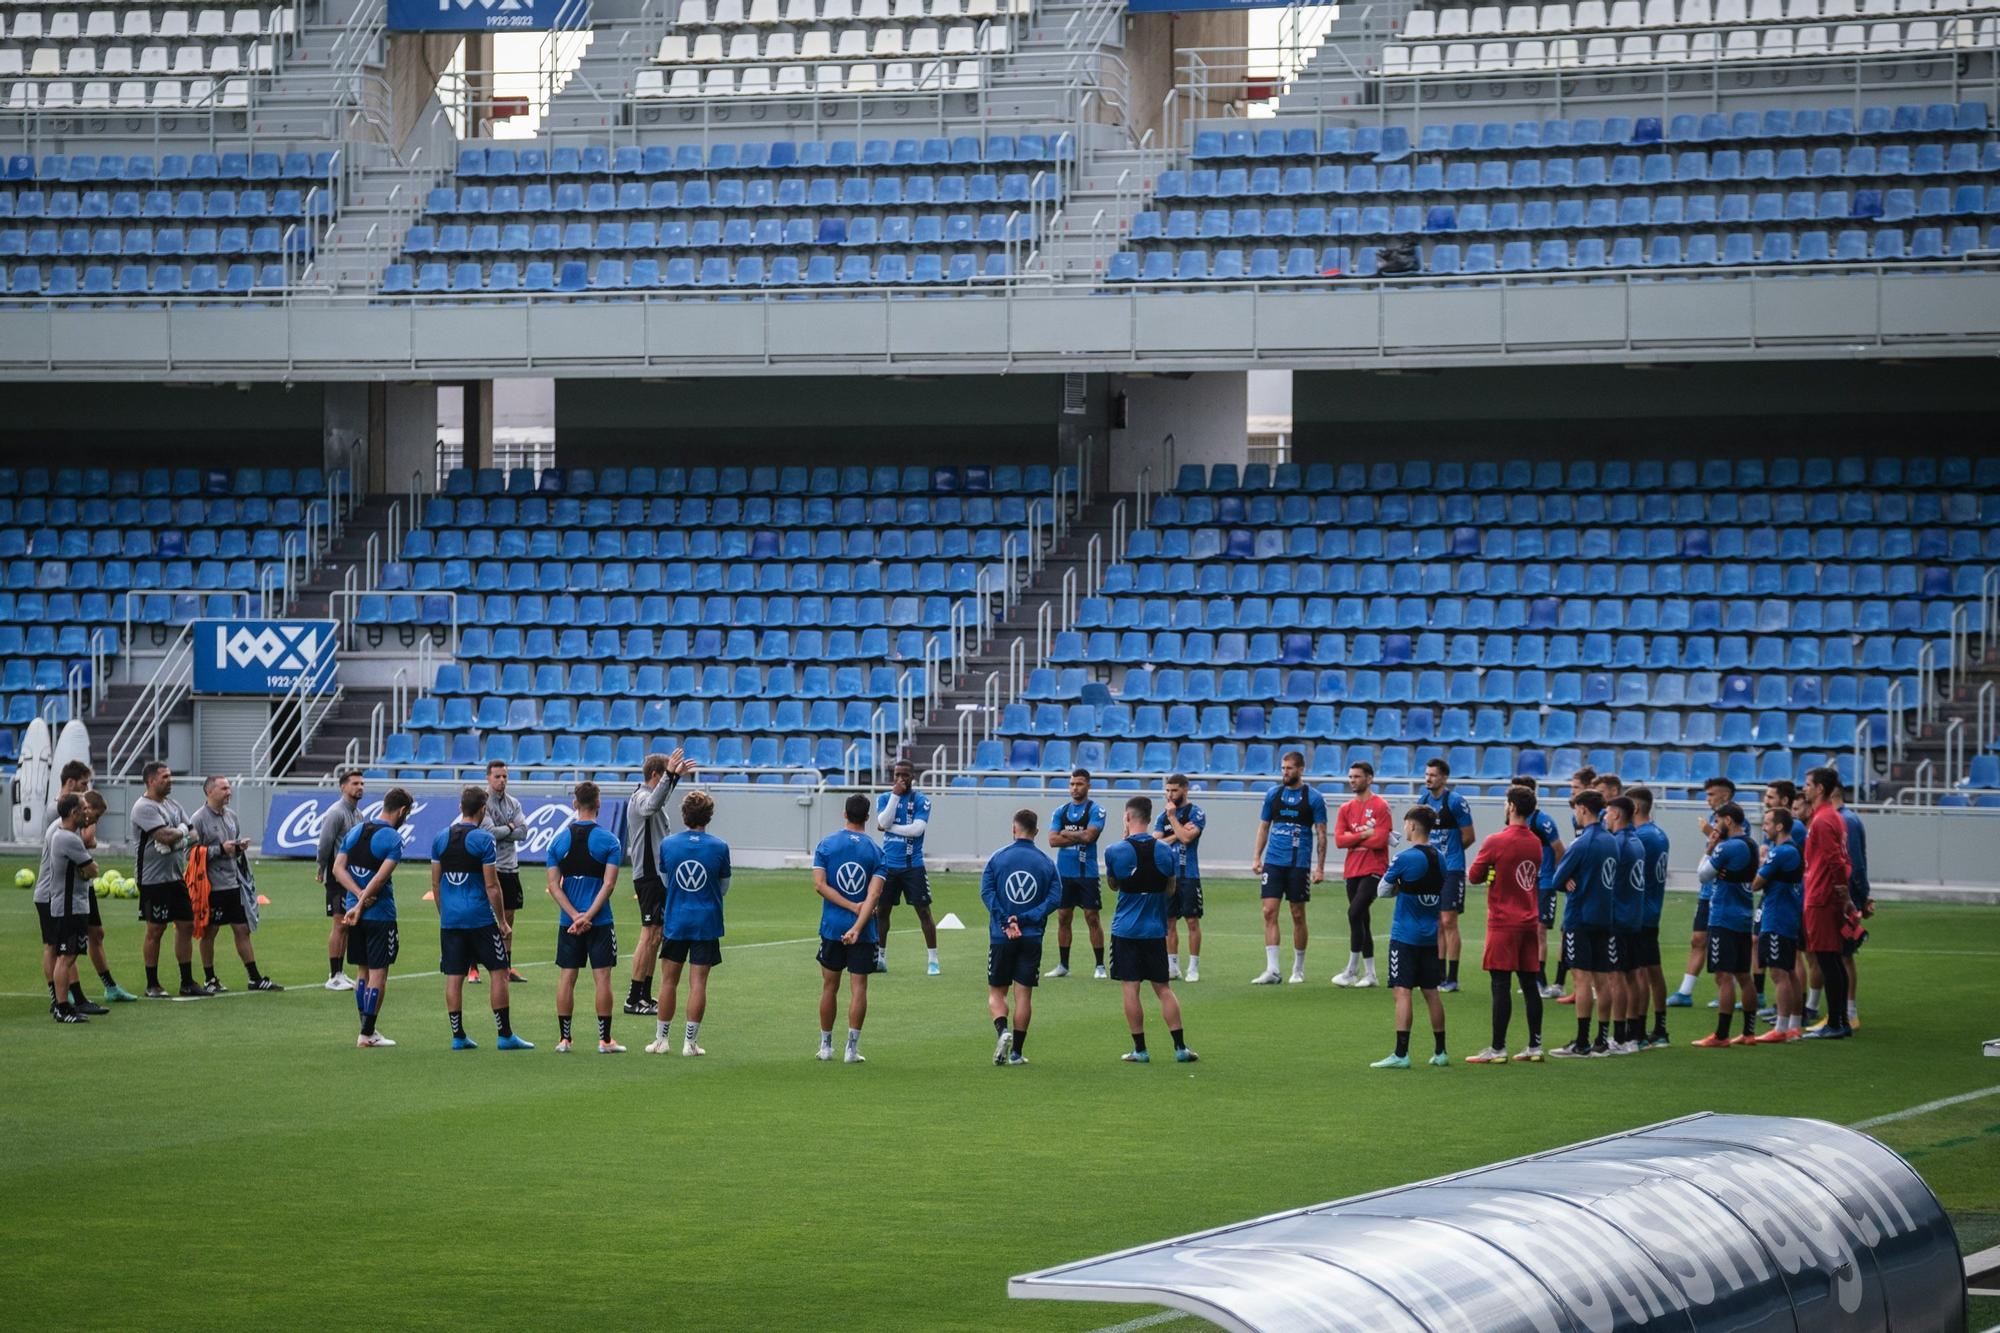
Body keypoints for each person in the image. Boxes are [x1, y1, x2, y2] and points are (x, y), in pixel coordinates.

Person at [431, 786, 531, 1052]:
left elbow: (436, 883)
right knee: (499, 971)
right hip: (479, 918)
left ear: (460, 808)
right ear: (482, 809)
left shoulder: (440, 838)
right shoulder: (483, 840)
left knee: (454, 976)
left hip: (450, 920)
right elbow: (492, 886)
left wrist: (445, 915)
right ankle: (504, 1034)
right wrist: (502, 921)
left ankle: (458, 1035)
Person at [1104, 796, 1196, 1065]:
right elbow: (1170, 888)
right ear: (1149, 816)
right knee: (1163, 988)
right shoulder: (1166, 851)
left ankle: (1140, 1050)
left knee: (1130, 988)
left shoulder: (1114, 851)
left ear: (1127, 817)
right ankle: (1180, 1047)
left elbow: (1113, 885)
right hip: (1155, 930)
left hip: (1126, 930)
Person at [1464, 787, 1547, 1064]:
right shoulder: (1535, 842)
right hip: (1528, 920)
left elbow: (1474, 875)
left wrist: (1491, 874)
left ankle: (1498, 1048)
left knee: (1500, 985)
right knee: (1529, 984)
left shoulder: (1496, 841)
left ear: (1511, 806)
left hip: (1502, 922)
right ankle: (1535, 1046)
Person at [648, 790, 731, 1058]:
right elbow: (723, 887)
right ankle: (690, 1043)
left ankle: (661, 1040)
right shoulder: (719, 846)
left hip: (676, 919)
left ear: (684, 815)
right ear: (709, 816)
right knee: (698, 983)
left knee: (668, 980)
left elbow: (665, 881)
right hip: (706, 922)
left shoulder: (669, 845)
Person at [45, 761, 134, 1009]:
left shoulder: (70, 825)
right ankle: (63, 1002)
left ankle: (90, 993)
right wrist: (88, 868)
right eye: (89, 813)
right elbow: (89, 860)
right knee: (62, 951)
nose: (91, 818)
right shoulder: (61, 825)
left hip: (75, 893)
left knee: (84, 942)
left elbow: (88, 852)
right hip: (59, 894)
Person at [545, 782, 626, 1054]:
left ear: (574, 804)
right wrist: (589, 915)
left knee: (567, 977)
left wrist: (574, 916)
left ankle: (564, 1039)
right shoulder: (610, 840)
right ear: (599, 803)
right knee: (602, 978)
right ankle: (605, 1040)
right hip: (600, 920)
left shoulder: (558, 841)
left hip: (568, 923)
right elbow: (609, 884)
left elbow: (554, 885)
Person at [1369, 806, 1448, 1070]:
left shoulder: (1404, 858)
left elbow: (1382, 890)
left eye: (1405, 825)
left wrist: (1402, 887)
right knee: (1431, 992)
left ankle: (1401, 1054)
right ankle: (1440, 1051)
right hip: (1431, 935)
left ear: (1412, 826)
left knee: (1402, 992)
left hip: (1405, 936)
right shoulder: (1442, 857)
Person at [333, 788, 413, 1049]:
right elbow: (381, 877)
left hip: (353, 912)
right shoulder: (392, 838)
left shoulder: (356, 830)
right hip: (380, 914)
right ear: (401, 811)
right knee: (379, 973)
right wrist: (366, 896)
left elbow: (337, 869)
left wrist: (356, 898)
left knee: (362, 971)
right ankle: (367, 1033)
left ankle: (366, 1027)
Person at [979, 808, 1058, 1066]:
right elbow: (1054, 899)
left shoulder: (997, 859)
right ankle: (1016, 1053)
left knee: (997, 992)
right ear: (1035, 832)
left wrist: (1006, 920)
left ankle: (1003, 1031)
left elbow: (987, 893)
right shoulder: (1047, 863)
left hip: (1002, 937)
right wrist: (1024, 919)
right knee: (1023, 995)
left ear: (1014, 829)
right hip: (1031, 936)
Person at [812, 794, 886, 1063]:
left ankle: (826, 1046)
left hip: (832, 927)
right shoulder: (877, 852)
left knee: (829, 986)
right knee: (859, 988)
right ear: (867, 818)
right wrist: (857, 921)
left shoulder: (827, 845)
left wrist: (849, 908)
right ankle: (851, 1050)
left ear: (845, 814)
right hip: (864, 931)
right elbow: (874, 895)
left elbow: (820, 885)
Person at [190, 776, 279, 995]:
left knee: (242, 929)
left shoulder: (231, 817)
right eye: (224, 788)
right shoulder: (198, 819)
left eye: (229, 788)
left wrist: (238, 848)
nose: (229, 792)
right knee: (210, 932)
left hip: (233, 884)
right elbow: (190, 854)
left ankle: (254, 978)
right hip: (212, 888)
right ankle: (210, 978)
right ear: (210, 792)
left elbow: (231, 848)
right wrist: (220, 849)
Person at [1547, 790, 1620, 1059]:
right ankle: (1602, 1039)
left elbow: (1556, 880)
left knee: (1581, 979)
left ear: (1582, 809)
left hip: (1580, 918)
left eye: (1576, 809)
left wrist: (1567, 880)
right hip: (1605, 917)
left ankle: (1581, 1042)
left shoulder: (1582, 843)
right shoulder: (1611, 841)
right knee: (1603, 980)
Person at [624, 749, 695, 1015]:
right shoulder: (640, 796)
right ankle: (633, 998)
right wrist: (670, 775)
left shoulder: (650, 793)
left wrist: (673, 778)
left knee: (656, 936)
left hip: (656, 877)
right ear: (656, 774)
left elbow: (659, 798)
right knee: (649, 934)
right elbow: (651, 804)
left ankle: (644, 995)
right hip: (649, 877)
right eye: (665, 773)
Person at [1250, 749, 1327, 985]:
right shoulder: (1273, 795)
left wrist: (1320, 868)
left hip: (1298, 864)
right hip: (1274, 862)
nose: (1285, 772)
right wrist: (1256, 857)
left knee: (1297, 914)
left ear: (1301, 769)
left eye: (1289, 768)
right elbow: (1264, 827)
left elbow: (1321, 834)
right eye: (1283, 768)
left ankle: (1298, 967)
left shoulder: (1313, 798)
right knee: (1268, 911)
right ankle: (1273, 970)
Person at [1690, 803, 1760, 1048]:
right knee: (1744, 975)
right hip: (1743, 915)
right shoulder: (1751, 844)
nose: (1715, 824)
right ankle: (1749, 1032)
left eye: (1717, 820)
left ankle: (1721, 1035)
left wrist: (1710, 849)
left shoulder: (1728, 847)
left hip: (1723, 916)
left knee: (1723, 976)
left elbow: (1702, 875)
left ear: (1728, 820)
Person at [131, 761, 198, 999]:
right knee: (156, 928)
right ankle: (152, 984)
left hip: (175, 876)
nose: (170, 780)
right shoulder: (143, 807)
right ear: (151, 781)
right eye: (165, 777)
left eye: (170, 776)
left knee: (186, 925)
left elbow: (194, 834)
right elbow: (163, 836)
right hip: (152, 878)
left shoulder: (173, 804)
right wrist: (179, 833)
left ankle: (187, 981)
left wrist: (178, 838)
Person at [1668, 775, 1736, 1008]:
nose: (1707, 799)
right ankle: (1685, 992)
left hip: (1726, 893)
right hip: (1708, 891)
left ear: (1725, 795)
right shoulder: (1713, 818)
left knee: (1725, 943)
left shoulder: (1736, 819)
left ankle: (1730, 990)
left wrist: (1709, 832)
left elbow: (1733, 848)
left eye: (1711, 794)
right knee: (1698, 939)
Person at [1800, 767, 1855, 1041]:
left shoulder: (1822, 821)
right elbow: (1844, 860)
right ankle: (1840, 1020)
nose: (1804, 788)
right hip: (1826, 895)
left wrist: (1842, 894)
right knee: (1833, 959)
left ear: (1819, 789)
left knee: (1827, 960)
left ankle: (1835, 1022)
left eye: (1808, 784)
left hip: (1821, 897)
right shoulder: (1833, 818)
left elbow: (1835, 861)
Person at [37, 793, 99, 1024]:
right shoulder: (68, 839)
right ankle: (62, 1007)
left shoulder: (66, 835)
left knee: (67, 957)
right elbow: (92, 869)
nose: (88, 813)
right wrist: (88, 869)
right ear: (74, 813)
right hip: (69, 907)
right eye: (84, 809)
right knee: (66, 957)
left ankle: (63, 1005)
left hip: (71, 906)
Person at [874, 760, 940, 975]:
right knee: (881, 911)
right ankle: (880, 958)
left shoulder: (921, 800)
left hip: (913, 866)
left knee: (923, 911)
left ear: (913, 776)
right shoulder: (885, 798)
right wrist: (895, 795)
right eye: (896, 775)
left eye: (904, 775)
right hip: (888, 866)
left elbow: (917, 830)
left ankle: (933, 960)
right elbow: (882, 820)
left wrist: (890, 828)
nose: (900, 779)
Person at [1331, 760, 1391, 988]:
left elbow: (1380, 839)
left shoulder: (1381, 806)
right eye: (1350, 777)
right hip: (1353, 869)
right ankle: (1371, 974)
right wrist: (1365, 834)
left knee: (1354, 912)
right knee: (1361, 918)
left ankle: (1351, 969)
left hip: (1374, 869)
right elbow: (1339, 840)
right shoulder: (1345, 808)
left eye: (1357, 776)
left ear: (1369, 778)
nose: (1352, 780)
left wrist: (1354, 837)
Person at [1420, 758, 1477, 992]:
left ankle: (1452, 977)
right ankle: (1439, 974)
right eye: (1426, 774)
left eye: (1433, 775)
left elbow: (1469, 835)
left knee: (1448, 921)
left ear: (1444, 778)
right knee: (1436, 923)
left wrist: (1449, 854)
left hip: (1452, 869)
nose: (1428, 778)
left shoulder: (1455, 802)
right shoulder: (1423, 802)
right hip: (1431, 870)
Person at [1749, 807, 1805, 1044]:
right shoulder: (1790, 850)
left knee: (1779, 973)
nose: (1764, 827)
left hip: (1777, 918)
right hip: (1788, 916)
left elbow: (1755, 884)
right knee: (1789, 971)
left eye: (1767, 823)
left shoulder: (1781, 852)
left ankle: (1781, 1028)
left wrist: (1758, 867)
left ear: (1779, 826)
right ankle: (1794, 1025)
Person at [1045, 769, 1107, 979]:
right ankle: (1063, 965)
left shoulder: (1096, 810)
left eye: (1079, 784)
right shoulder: (1060, 811)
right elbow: (1053, 840)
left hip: (1087, 874)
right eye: (1072, 784)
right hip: (1064, 874)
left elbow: (1090, 837)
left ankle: (1099, 966)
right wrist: (1077, 836)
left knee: (1092, 917)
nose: (1074, 788)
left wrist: (1066, 833)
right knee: (1063, 917)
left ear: (1088, 786)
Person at [1600, 797, 1645, 1054]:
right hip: (1634, 917)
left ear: (1616, 814)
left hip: (1618, 918)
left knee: (1616, 977)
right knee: (1631, 976)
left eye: (1608, 813)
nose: (1605, 817)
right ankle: (1632, 1035)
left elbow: (1607, 879)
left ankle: (1618, 1038)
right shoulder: (1636, 840)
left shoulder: (1617, 843)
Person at [1627, 786, 1672, 1047]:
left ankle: (1639, 1031)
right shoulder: (1659, 834)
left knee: (1639, 972)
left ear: (1634, 808)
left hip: (1639, 911)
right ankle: (1660, 1028)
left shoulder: (1640, 837)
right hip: (1653, 908)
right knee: (1654, 970)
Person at [1515, 773, 1564, 1000]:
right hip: (1525, 884)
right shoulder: (1515, 820)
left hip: (1544, 883)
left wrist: (1552, 876)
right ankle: (1534, 980)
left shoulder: (1543, 821)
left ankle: (1541, 982)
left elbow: (1559, 850)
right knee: (1527, 932)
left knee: (1539, 931)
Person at [481, 760, 530, 985]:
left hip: (510, 866)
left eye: (505, 777)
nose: (502, 780)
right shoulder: (482, 803)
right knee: (483, 916)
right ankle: (474, 966)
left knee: (509, 915)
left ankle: (507, 966)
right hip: (489, 865)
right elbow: (490, 833)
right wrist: (510, 827)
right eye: (497, 776)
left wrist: (508, 830)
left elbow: (524, 832)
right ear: (488, 778)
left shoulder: (514, 803)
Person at [1155, 773, 1206, 983]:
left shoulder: (1196, 813)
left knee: (1192, 921)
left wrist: (1174, 819)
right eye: (1167, 790)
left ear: (1185, 789)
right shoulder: (1161, 816)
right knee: (1168, 922)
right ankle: (1172, 966)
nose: (1170, 794)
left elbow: (1187, 838)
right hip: (1168, 876)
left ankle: (1193, 967)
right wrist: (1178, 833)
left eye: (1174, 790)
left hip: (1189, 875)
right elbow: (1157, 844)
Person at [318, 768, 364, 992]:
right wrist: (321, 867)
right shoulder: (336, 813)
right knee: (339, 923)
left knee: (346, 924)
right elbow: (325, 843)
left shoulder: (357, 813)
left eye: (361, 784)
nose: (360, 787)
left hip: (351, 876)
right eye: (355, 783)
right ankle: (333, 974)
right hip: (337, 876)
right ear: (343, 787)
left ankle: (339, 972)